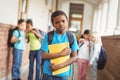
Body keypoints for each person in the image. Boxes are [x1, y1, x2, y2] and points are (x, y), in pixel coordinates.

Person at [40, 10, 79, 80]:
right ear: (53, 24)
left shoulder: (71, 37)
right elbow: (44, 55)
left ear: (67, 21)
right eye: (57, 22)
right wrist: (61, 53)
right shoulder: (48, 36)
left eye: (63, 21)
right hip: (48, 73)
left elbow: (74, 57)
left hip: (63, 74)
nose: (61, 24)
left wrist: (59, 66)